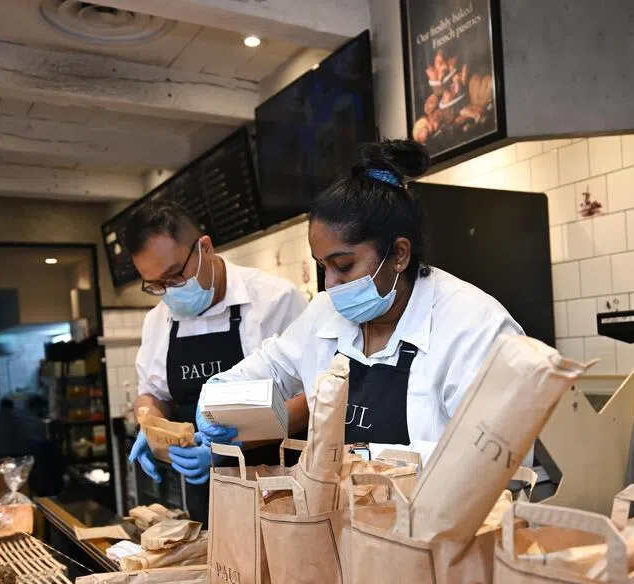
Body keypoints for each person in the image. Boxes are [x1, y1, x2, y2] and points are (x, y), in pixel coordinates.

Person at [201, 139, 523, 449]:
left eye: (343, 265)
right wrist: (217, 398)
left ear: (399, 254)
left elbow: (491, 463)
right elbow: (270, 368)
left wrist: (368, 464)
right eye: (322, 266)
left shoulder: (475, 327)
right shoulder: (324, 314)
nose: (331, 284)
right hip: (343, 505)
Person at [126, 201, 307, 524]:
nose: (168, 292)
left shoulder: (276, 300)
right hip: (206, 491)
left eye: (174, 277)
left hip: (277, 484)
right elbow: (153, 394)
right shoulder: (158, 321)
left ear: (204, 248)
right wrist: (148, 422)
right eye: (155, 285)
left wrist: (234, 441)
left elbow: (314, 400)